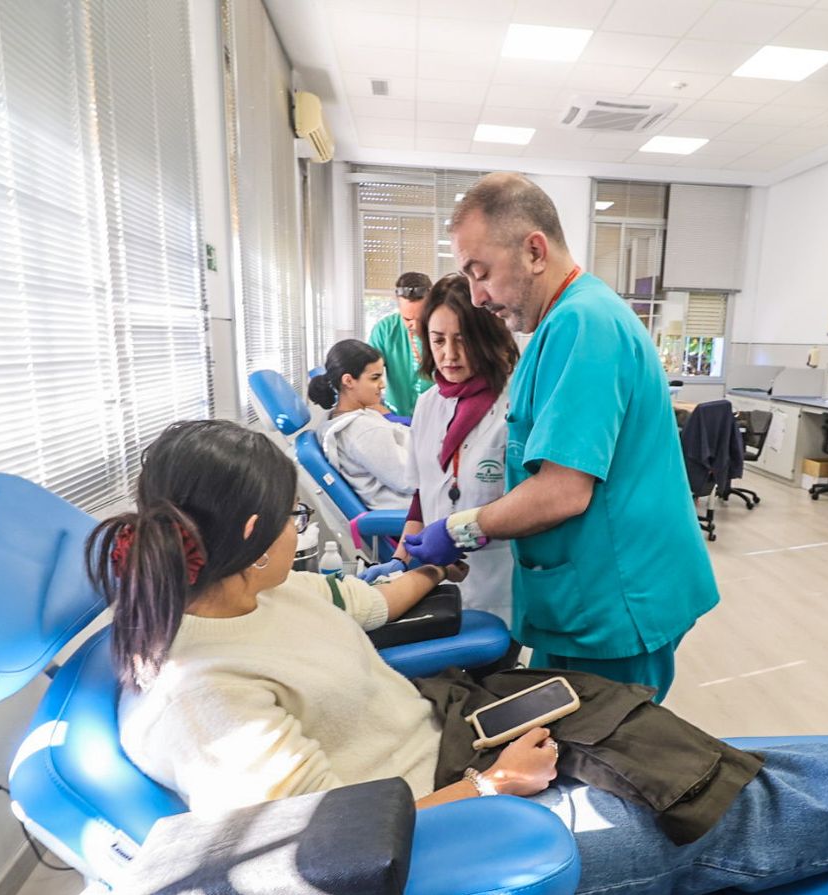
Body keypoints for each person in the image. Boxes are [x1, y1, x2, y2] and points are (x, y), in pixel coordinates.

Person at [90, 420, 828, 895]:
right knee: (687, 822)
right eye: (289, 523)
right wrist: (493, 789)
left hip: (443, 746)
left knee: (677, 759)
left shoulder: (262, 587)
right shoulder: (201, 690)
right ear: (253, 526)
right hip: (420, 869)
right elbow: (319, 845)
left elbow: (372, 600)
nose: (299, 537)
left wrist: (439, 554)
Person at [404, 173, 717, 702]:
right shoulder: (557, 328)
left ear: (533, 250)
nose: (478, 297)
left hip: (616, 598)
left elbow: (562, 491)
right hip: (577, 593)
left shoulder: (585, 324)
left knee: (605, 756)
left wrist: (457, 530)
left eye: (482, 274)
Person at [389, 273, 518, 621]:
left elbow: (530, 503)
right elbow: (423, 495)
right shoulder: (428, 404)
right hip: (438, 582)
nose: (450, 354)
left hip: (498, 586)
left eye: (462, 340)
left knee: (494, 672)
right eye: (438, 340)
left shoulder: (515, 404)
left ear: (487, 338)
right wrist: (398, 562)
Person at [306, 339, 414, 509]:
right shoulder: (362, 431)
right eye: (375, 378)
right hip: (411, 510)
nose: (383, 384)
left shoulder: (338, 418)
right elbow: (410, 479)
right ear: (348, 381)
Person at [371, 271, 434, 418]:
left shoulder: (445, 330)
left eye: (422, 318)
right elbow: (367, 376)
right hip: (396, 416)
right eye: (408, 319)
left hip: (437, 418)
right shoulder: (385, 330)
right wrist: (381, 411)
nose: (416, 326)